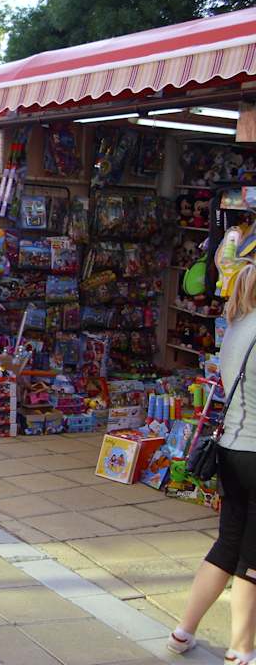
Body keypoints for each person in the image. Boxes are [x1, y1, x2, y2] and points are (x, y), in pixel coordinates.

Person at [170, 264, 256, 664]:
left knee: (227, 544)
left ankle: (183, 632)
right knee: (252, 560)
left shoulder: (238, 328)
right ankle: (241, 650)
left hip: (231, 451)